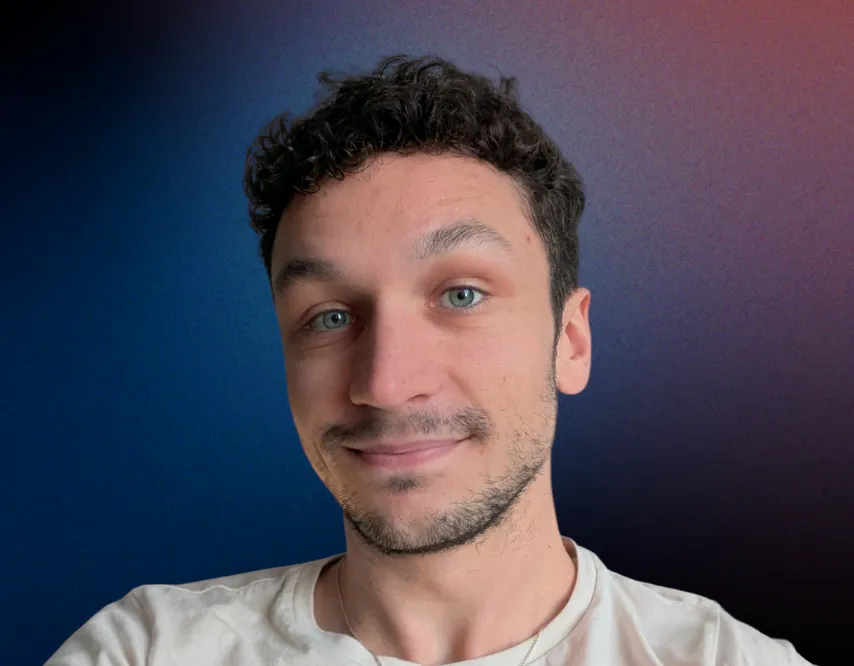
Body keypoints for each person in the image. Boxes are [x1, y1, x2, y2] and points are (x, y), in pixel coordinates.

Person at [46, 54, 813, 666]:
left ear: (571, 341)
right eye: (331, 317)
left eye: (461, 295)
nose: (385, 383)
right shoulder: (145, 650)